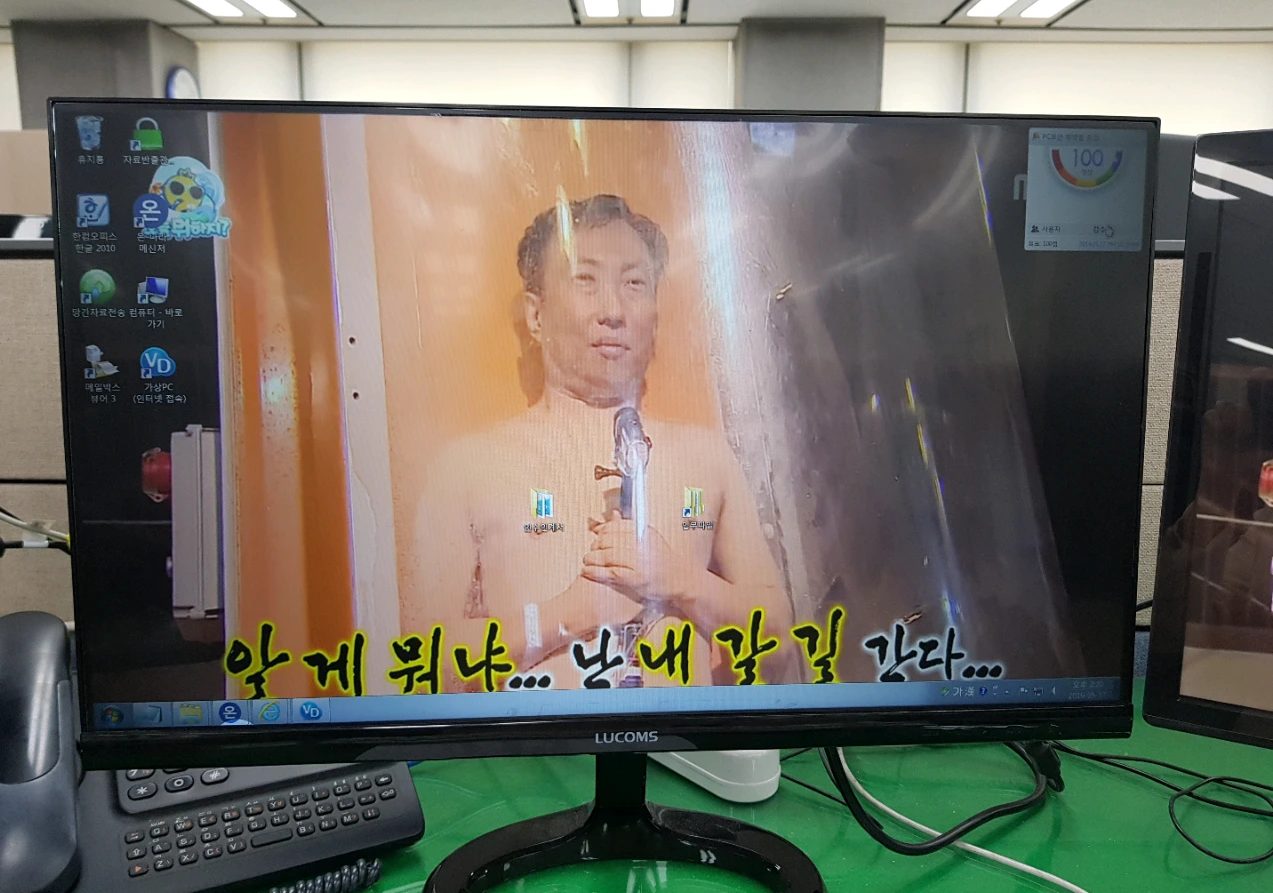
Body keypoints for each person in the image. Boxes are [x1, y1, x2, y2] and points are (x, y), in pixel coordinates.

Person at [403, 194, 793, 690]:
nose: (613, 310)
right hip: (536, 739)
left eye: (634, 284)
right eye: (585, 280)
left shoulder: (707, 457)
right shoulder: (469, 466)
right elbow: (425, 658)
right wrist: (574, 612)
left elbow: (782, 640)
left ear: (655, 311)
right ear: (537, 315)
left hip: (684, 741)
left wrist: (679, 579)